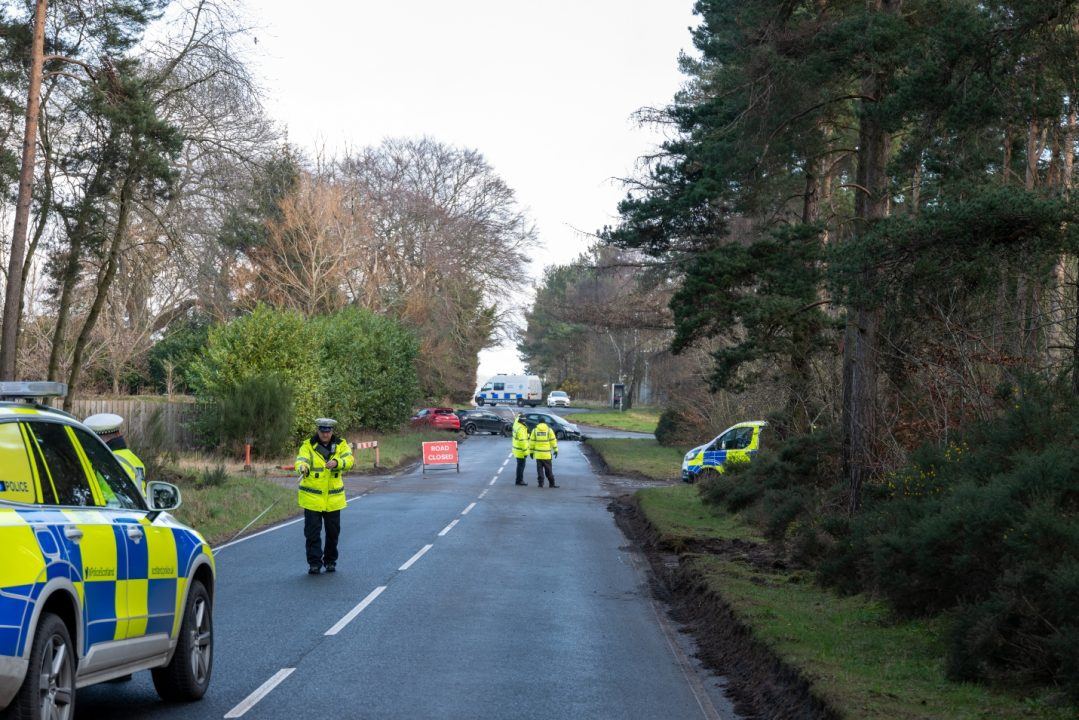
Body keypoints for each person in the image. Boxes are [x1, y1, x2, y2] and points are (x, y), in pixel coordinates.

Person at [295, 418, 354, 574]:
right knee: (312, 533)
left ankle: (330, 561)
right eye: (322, 431)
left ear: (331, 431)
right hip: (312, 498)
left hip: (333, 499)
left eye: (327, 432)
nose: (325, 435)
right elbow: (302, 459)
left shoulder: (341, 444)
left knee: (333, 533)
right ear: (318, 431)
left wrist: (337, 462)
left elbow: (349, 460)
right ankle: (314, 563)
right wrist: (302, 467)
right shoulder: (308, 445)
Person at [84, 412, 147, 494]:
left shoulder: (104, 461)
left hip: (111, 506)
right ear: (118, 434)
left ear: (97, 439)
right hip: (137, 506)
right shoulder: (132, 458)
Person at [529, 420, 559, 488]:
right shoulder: (549, 430)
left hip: (538, 455)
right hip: (547, 455)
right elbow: (553, 441)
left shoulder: (535, 430)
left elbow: (532, 442)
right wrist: (556, 450)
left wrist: (531, 452)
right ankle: (552, 484)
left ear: (538, 423)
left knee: (539, 470)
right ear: (545, 423)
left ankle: (540, 484)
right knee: (548, 470)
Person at [511, 413, 530, 485]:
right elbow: (523, 441)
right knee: (521, 466)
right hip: (521, 450)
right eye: (524, 421)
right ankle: (519, 481)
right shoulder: (521, 429)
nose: (525, 422)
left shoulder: (516, 424)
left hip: (516, 448)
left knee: (519, 465)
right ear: (521, 421)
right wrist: (525, 452)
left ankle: (518, 480)